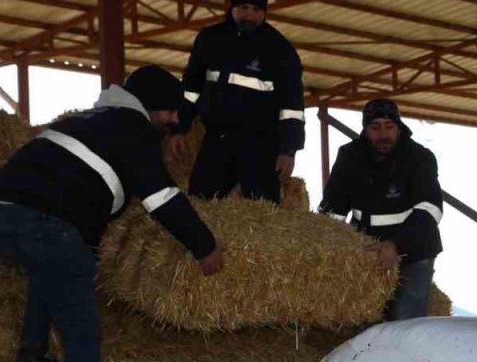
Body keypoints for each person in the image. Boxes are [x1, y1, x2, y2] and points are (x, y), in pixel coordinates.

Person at [0, 65, 224, 362]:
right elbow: (162, 198)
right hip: (43, 221)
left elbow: (77, 196)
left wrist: (84, 248)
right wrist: (204, 246)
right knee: (82, 329)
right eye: (170, 111)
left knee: (50, 263)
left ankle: (31, 353)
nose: (174, 120)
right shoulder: (134, 130)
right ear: (150, 105)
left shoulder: (91, 119)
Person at [317, 99, 442, 320]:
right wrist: (326, 248)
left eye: (389, 126)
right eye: (375, 127)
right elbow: (332, 209)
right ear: (365, 130)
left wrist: (396, 245)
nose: (383, 134)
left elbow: (430, 209)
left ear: (399, 127)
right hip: (367, 252)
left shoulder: (420, 157)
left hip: (414, 253)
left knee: (404, 323)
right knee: (360, 323)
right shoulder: (349, 156)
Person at [173, 0, 305, 203]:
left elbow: (292, 107)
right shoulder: (210, 39)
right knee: (201, 201)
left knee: (263, 208)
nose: (249, 16)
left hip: (261, 143)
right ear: (232, 8)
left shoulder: (280, 50)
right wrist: (179, 128)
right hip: (218, 137)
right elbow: (191, 88)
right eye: (243, 8)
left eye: (255, 10)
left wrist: (288, 150)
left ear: (264, 12)